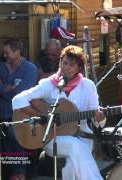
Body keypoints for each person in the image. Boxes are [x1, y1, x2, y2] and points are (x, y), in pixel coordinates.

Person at [12, 45, 106, 180]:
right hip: (52, 138)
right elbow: (17, 100)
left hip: (83, 136)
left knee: (73, 163)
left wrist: (99, 118)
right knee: (76, 147)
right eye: (64, 62)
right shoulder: (48, 84)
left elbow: (96, 119)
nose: (66, 67)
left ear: (79, 68)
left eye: (71, 64)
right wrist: (41, 116)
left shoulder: (88, 86)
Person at [0, 39, 38, 180]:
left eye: (7, 52)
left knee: (16, 141)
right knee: (6, 148)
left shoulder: (30, 69)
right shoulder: (2, 67)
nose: (4, 55)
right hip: (2, 114)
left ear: (17, 52)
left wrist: (3, 88)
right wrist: (9, 88)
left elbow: (22, 93)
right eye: (4, 52)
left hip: (20, 115)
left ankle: (21, 174)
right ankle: (13, 175)